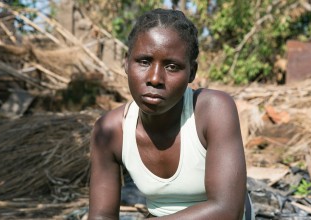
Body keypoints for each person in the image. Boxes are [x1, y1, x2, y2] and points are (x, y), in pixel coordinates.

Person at [88, 8, 254, 220]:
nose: (155, 78)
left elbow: (227, 210)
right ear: (126, 63)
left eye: (172, 66)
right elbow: (101, 216)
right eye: (144, 61)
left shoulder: (213, 111)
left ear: (192, 72)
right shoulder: (110, 131)